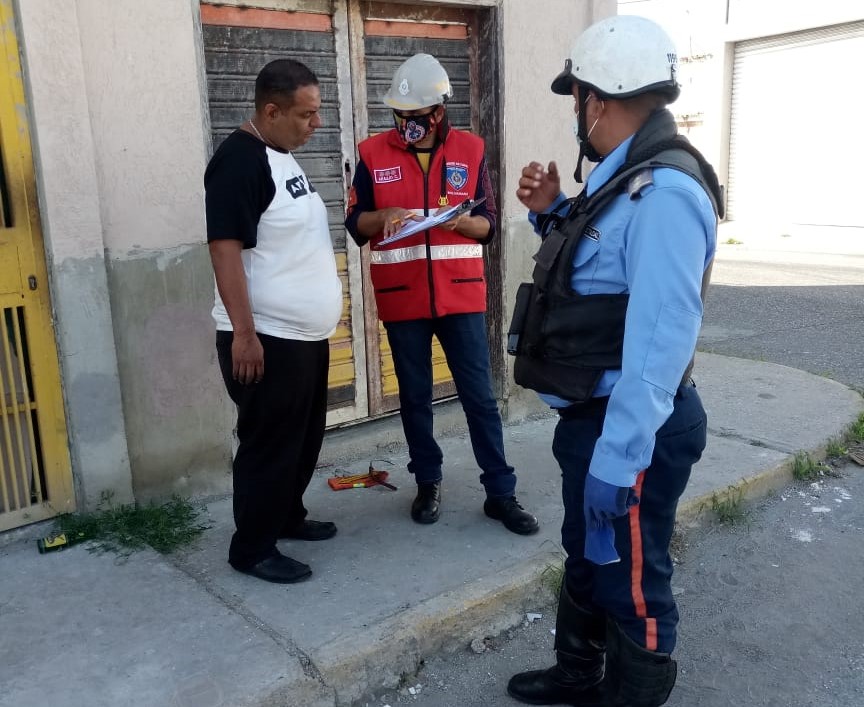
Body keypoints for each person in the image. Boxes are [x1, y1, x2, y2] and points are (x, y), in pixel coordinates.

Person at [506, 15, 723, 707]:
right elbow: (603, 271)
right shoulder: (624, 177)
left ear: (595, 99)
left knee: (633, 582)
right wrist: (550, 211)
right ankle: (577, 674)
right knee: (591, 558)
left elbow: (661, 343)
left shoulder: (664, 192)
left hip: (633, 431)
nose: (577, 112)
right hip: (596, 425)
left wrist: (620, 455)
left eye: (576, 99)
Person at [344, 53, 538, 535]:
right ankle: (426, 482)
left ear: (438, 112)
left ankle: (500, 491)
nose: (406, 123)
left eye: (415, 116)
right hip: (402, 297)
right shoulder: (372, 154)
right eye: (400, 116)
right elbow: (355, 221)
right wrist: (382, 217)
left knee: (479, 398)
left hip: (460, 298)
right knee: (415, 397)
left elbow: (489, 223)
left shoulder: (471, 150)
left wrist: (460, 221)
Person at [205, 59, 343, 584]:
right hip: (266, 337)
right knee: (269, 443)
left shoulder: (280, 153)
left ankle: (286, 517)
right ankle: (252, 548)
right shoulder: (239, 161)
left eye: (318, 112)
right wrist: (243, 335)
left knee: (302, 438)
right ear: (270, 110)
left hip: (304, 336)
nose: (317, 124)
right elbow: (224, 250)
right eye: (307, 114)